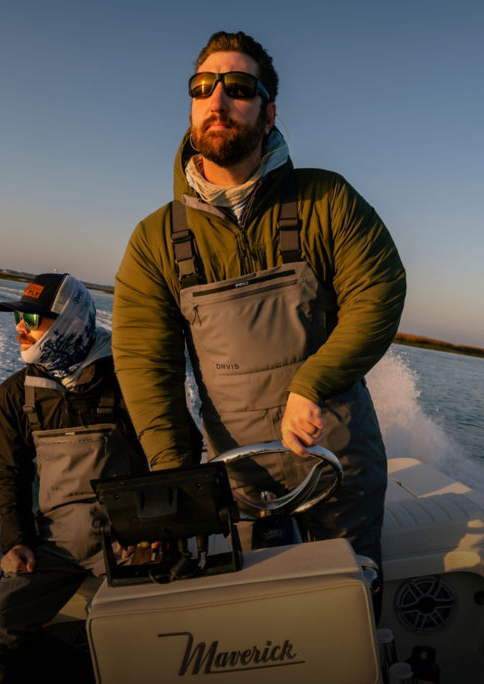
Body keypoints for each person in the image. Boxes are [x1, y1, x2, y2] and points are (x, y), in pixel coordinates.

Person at [112, 31, 406, 585]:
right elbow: (146, 365)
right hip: (239, 476)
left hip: (341, 461)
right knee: (257, 620)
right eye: (203, 87)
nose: (217, 100)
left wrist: (310, 383)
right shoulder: (155, 240)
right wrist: (174, 480)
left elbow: (380, 291)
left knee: (351, 601)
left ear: (268, 113)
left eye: (238, 87)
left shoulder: (327, 199)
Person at [0, 272, 148, 676]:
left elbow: (174, 449)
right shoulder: (15, 396)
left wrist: (153, 532)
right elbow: (10, 475)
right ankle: (80, 681)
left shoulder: (128, 381)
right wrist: (16, 541)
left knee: (150, 625)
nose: (20, 327)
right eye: (18, 318)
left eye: (32, 320)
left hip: (127, 539)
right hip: (56, 546)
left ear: (69, 320)